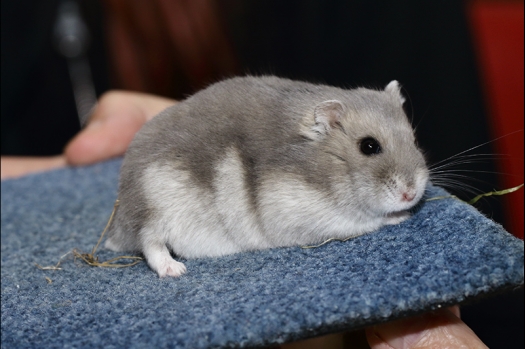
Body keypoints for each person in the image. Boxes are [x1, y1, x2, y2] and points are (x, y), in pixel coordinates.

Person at [0, 91, 489, 349]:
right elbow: (283, 220)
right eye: (369, 148)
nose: (409, 183)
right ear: (326, 123)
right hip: (194, 193)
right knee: (164, 195)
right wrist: (369, 223)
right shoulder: (292, 168)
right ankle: (154, 245)